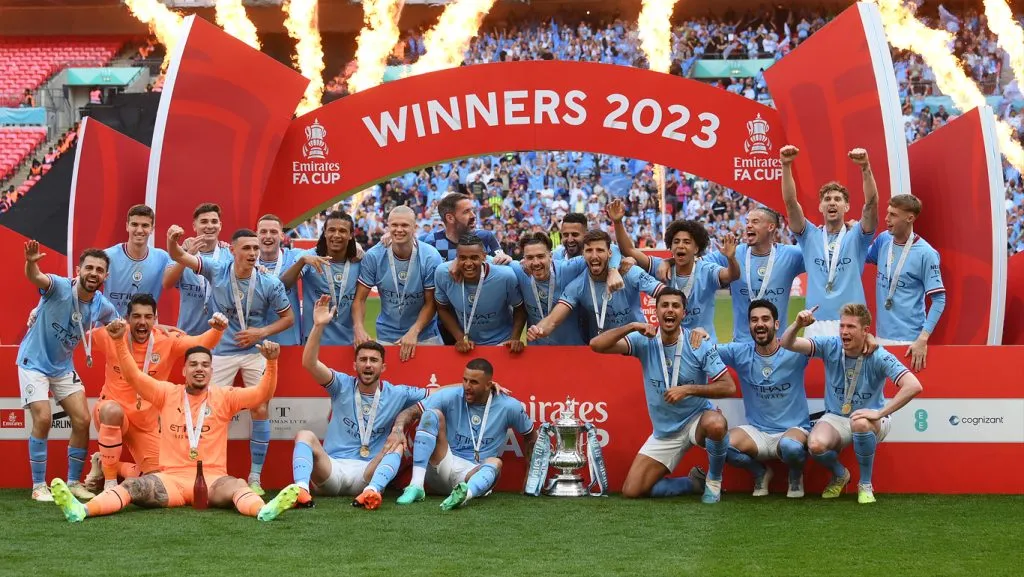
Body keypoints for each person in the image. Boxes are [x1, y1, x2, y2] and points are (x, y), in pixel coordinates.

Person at [49, 320, 301, 522]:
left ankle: (263, 510)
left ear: (212, 371)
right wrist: (119, 343)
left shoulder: (225, 397)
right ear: (184, 370)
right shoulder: (167, 393)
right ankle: (82, 510)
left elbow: (261, 395)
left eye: (205, 365)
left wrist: (272, 363)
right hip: (170, 479)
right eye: (193, 365)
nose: (199, 369)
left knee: (237, 485)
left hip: (213, 479)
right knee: (135, 487)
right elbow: (133, 376)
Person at [167, 225, 294, 496]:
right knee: (204, 410)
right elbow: (179, 257)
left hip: (253, 354)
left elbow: (288, 318)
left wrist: (261, 332)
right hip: (221, 353)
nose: (252, 253)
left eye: (256, 248)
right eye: (246, 248)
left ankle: (255, 476)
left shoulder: (269, 283)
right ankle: (201, 471)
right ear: (232, 250)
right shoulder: (216, 270)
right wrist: (172, 241)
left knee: (259, 408)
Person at [589, 287, 735, 503]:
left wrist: (687, 389)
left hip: (696, 420)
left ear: (683, 313)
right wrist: (631, 326)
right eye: (664, 305)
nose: (670, 310)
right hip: (666, 433)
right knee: (632, 491)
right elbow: (596, 345)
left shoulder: (697, 343)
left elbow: (728, 386)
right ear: (655, 311)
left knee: (716, 423)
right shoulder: (644, 341)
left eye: (676, 306)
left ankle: (714, 480)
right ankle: (694, 482)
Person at [292, 296, 431, 509]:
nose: (368, 365)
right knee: (304, 435)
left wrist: (478, 385)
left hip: (368, 472)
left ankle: (371, 492)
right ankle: (301, 490)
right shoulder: (341, 385)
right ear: (354, 364)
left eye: (373, 360)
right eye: (363, 360)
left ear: (383, 367)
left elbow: (436, 394)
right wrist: (319, 326)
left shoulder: (398, 393)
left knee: (397, 445)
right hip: (333, 469)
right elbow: (309, 363)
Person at [82, 294, 227, 492]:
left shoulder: (166, 340)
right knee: (112, 411)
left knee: (159, 477)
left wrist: (217, 330)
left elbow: (201, 343)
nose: (142, 322)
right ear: (127, 319)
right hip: (113, 412)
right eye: (137, 316)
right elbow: (78, 336)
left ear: (155, 319)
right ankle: (109, 483)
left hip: (146, 423)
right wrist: (40, 316)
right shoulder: (111, 334)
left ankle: (107, 464)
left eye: (148, 317)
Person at [780, 304, 923, 504]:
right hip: (836, 416)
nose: (844, 332)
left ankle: (865, 484)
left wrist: (880, 413)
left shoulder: (879, 355)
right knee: (815, 444)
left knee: (860, 423)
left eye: (851, 327)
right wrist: (797, 324)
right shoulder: (831, 345)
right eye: (842, 326)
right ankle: (840, 475)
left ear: (866, 331)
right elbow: (787, 343)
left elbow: (913, 386)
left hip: (871, 419)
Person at [19, 242, 119, 502]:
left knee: (83, 420)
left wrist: (125, 329)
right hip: (34, 362)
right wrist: (31, 262)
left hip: (63, 367)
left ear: (105, 276)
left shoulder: (102, 305)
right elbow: (36, 277)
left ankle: (74, 482)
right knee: (42, 418)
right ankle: (39, 486)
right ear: (79, 270)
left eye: (99, 269)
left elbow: (118, 324)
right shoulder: (60, 286)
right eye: (89, 267)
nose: (93, 273)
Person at [395, 358, 538, 510]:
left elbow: (531, 437)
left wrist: (530, 476)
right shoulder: (452, 396)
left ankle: (463, 495)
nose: (467, 386)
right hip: (443, 463)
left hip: (473, 475)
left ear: (488, 385)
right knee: (431, 414)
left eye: (474, 382)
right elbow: (411, 411)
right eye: (465, 380)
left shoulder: (509, 406)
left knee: (495, 462)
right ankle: (416, 486)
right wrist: (397, 429)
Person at [711, 299, 812, 498]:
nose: (759, 324)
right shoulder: (739, 352)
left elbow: (834, 348)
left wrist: (867, 340)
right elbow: (702, 352)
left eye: (765, 319)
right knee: (718, 444)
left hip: (793, 431)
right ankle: (760, 472)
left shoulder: (796, 351)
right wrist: (698, 336)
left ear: (776, 324)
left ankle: (795, 475)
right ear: (749, 325)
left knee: (790, 448)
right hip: (757, 433)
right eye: (754, 320)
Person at [780, 145, 878, 337]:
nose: (832, 202)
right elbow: (791, 202)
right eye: (827, 199)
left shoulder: (857, 235)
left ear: (847, 206)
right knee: (817, 368)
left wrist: (865, 168)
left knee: (852, 369)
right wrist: (786, 165)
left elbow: (872, 203)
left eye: (837, 199)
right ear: (820, 207)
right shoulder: (809, 235)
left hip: (851, 321)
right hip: (816, 321)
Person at [609, 199, 739, 342]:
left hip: (703, 346)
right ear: (670, 247)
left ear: (696, 249)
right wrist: (618, 222)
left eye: (687, 242)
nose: (680, 246)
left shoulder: (707, 270)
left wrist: (731, 259)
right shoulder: (662, 267)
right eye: (676, 242)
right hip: (669, 347)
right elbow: (629, 250)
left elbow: (732, 275)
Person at [528, 230, 662, 342]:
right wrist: (538, 329)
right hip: (601, 350)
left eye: (600, 250)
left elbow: (663, 292)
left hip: (636, 345)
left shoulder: (629, 272)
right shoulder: (577, 286)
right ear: (583, 254)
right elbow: (553, 320)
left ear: (609, 253)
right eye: (589, 250)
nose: (594, 256)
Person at [866, 194, 945, 371]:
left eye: (893, 215)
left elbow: (939, 300)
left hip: (909, 341)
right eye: (887, 213)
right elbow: (861, 256)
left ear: (909, 218)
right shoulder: (883, 240)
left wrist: (922, 339)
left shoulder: (926, 253)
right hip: (880, 338)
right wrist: (849, 234)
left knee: (908, 394)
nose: (886, 219)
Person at [353, 206, 444, 360]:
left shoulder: (430, 256)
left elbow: (431, 303)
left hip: (425, 335)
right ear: (388, 226)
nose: (399, 230)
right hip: (386, 335)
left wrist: (414, 331)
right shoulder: (374, 256)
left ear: (415, 228)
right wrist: (359, 327)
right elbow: (360, 299)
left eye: (404, 225)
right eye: (394, 225)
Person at [707, 207, 804, 343]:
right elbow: (696, 265)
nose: (748, 225)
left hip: (777, 345)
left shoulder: (791, 255)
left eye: (755, 221)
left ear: (771, 227)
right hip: (742, 345)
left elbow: (822, 258)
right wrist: (669, 262)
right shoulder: (733, 253)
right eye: (747, 222)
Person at [433, 233, 527, 352]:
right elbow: (442, 308)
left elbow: (519, 308)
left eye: (474, 257)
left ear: (484, 256)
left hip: (502, 342)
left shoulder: (505, 276)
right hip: (468, 345)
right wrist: (460, 338)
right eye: (462, 258)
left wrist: (514, 338)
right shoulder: (443, 274)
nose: (468, 263)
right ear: (456, 257)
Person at [281, 211, 360, 345]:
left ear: (351, 235)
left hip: (348, 342)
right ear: (324, 232)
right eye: (331, 230)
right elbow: (283, 286)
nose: (336, 235)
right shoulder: (309, 257)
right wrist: (302, 262)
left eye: (342, 231)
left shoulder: (359, 261)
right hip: (313, 341)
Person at [163, 203, 231, 336]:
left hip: (221, 338)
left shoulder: (230, 255)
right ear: (194, 226)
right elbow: (167, 283)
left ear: (220, 226)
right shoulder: (181, 251)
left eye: (214, 222)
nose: (210, 226)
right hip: (188, 335)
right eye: (204, 222)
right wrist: (186, 257)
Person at [511, 232, 589, 345]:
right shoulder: (517, 270)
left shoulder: (569, 268)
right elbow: (485, 260)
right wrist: (501, 256)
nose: (536, 262)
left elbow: (609, 249)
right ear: (524, 259)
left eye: (540, 256)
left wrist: (612, 270)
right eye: (530, 258)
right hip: (538, 351)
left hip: (571, 350)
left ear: (551, 256)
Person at [102, 205, 173, 317]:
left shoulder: (163, 258)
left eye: (145, 225)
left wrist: (185, 252)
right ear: (127, 226)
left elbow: (174, 281)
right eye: (134, 224)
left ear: (152, 229)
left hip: (142, 330)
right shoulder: (107, 256)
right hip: (109, 329)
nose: (139, 230)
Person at [256, 214, 303, 346]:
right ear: (256, 235)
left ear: (282, 236)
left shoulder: (295, 257)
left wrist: (354, 248)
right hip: (257, 344)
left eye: (274, 232)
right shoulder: (247, 261)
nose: (268, 236)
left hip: (289, 342)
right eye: (263, 231)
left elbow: (324, 252)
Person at [425, 193, 512, 264]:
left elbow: (502, 260)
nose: (473, 215)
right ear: (450, 218)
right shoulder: (432, 242)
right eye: (466, 212)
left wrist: (505, 259)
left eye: (472, 210)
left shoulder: (486, 237)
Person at [552, 212, 622, 266]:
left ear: (586, 234)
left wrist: (613, 269)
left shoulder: (594, 256)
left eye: (575, 234)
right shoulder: (556, 256)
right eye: (566, 235)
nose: (570, 240)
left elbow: (614, 249)